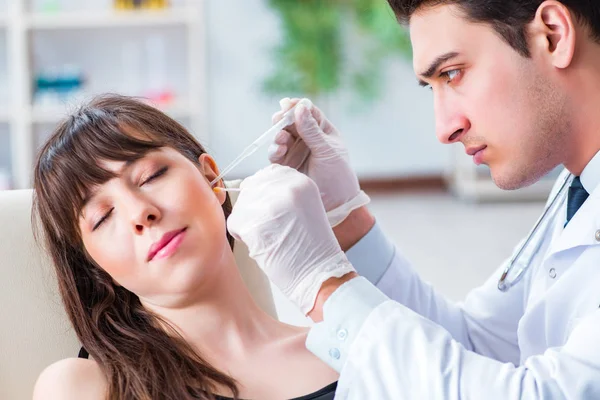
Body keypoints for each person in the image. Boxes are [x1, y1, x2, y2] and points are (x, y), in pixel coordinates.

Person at [227, 0, 600, 398]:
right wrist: (345, 218)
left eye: (453, 74)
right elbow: (478, 343)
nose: (445, 128)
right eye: (433, 86)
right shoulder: (577, 190)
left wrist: (323, 287)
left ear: (553, 35)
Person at [31, 94, 338, 400]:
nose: (140, 212)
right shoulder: (85, 386)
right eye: (103, 217)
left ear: (209, 176)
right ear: (96, 266)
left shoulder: (349, 349)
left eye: (151, 176)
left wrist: (349, 224)